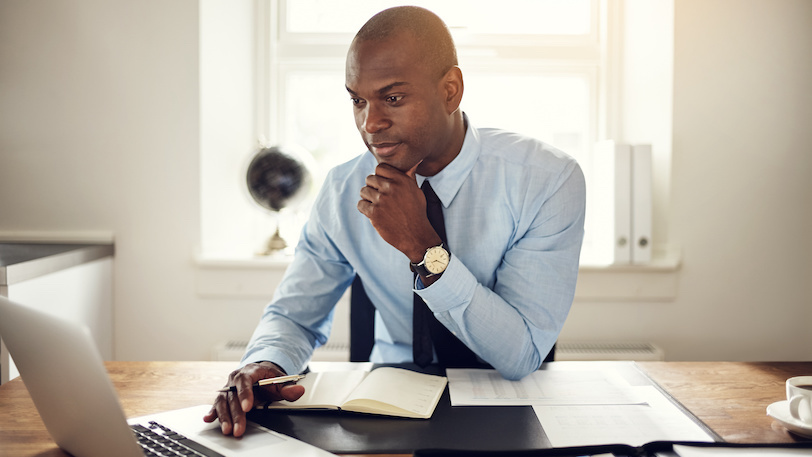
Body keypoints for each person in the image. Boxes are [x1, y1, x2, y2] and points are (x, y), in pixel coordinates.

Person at [205, 5, 585, 437]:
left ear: (450, 91)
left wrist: (425, 250)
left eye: (392, 98)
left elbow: (520, 356)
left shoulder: (547, 179)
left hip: (511, 408)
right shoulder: (341, 190)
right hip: (384, 409)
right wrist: (265, 364)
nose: (370, 123)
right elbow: (295, 316)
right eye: (357, 100)